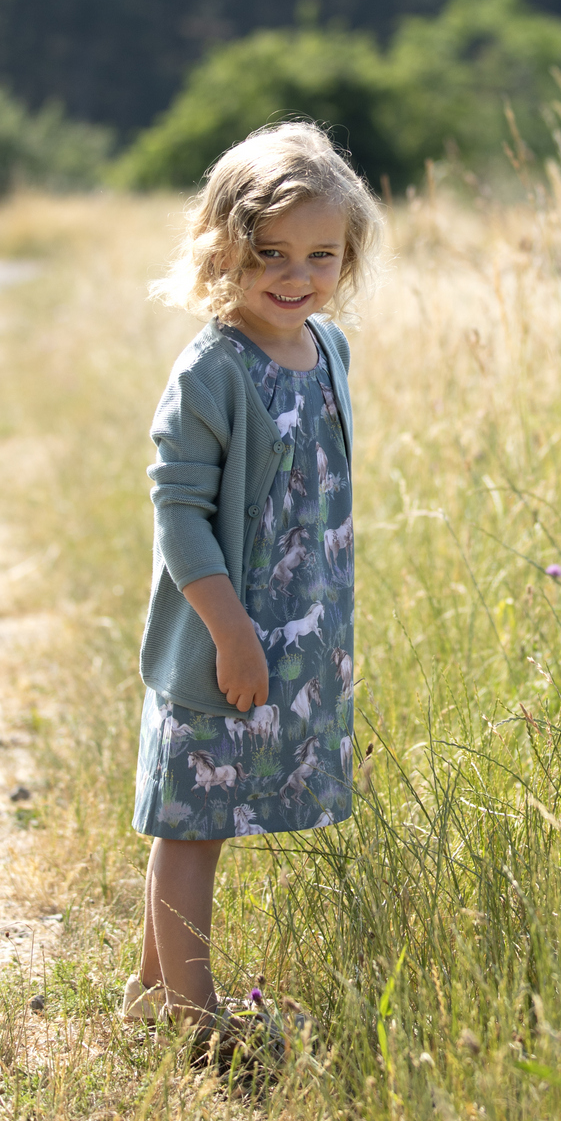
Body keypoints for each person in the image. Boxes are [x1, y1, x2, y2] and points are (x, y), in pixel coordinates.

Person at [120, 121, 382, 1047]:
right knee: (189, 822)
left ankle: (152, 994)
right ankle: (197, 1022)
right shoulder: (213, 369)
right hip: (223, 636)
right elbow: (179, 507)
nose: (295, 275)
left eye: (320, 255)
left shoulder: (329, 351)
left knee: (215, 813)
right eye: (270, 253)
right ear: (223, 247)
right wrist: (231, 629)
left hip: (294, 634)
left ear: (346, 259)